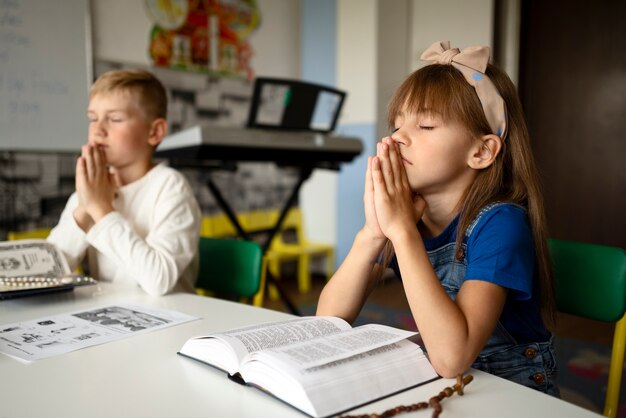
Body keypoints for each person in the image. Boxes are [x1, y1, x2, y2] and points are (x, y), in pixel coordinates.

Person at [317, 41, 559, 396]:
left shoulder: (501, 224)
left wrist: (401, 233)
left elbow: (451, 356)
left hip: (512, 393)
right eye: (396, 125)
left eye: (426, 125)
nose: (397, 138)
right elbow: (326, 322)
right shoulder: (410, 217)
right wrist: (373, 232)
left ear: (481, 151)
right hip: (453, 387)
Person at [48, 69, 201, 296]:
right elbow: (49, 271)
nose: (97, 129)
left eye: (115, 119)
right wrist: (84, 209)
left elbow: (157, 281)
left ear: (155, 132)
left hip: (171, 319)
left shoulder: (170, 187)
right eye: (93, 118)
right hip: (112, 318)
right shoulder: (91, 190)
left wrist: (101, 209)